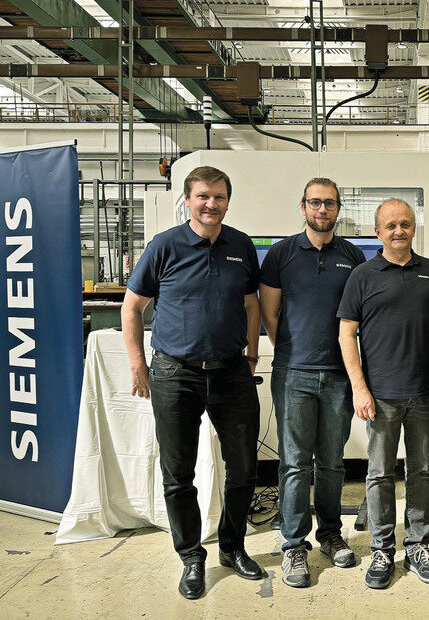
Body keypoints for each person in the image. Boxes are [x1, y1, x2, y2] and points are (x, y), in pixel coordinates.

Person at [121, 165, 264, 600]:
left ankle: (233, 547)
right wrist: (137, 365)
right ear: (187, 200)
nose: (211, 204)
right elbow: (132, 307)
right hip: (175, 374)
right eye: (203, 196)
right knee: (178, 473)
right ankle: (190, 557)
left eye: (219, 196)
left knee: (244, 467)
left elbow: (251, 303)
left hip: (231, 371)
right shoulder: (164, 246)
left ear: (227, 201)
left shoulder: (241, 245)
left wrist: (252, 355)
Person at [259, 178, 366, 588]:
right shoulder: (281, 254)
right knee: (294, 463)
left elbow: (357, 315)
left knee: (332, 461)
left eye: (330, 203)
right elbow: (269, 313)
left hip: (339, 375)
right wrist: (293, 350)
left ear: (338, 208)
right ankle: (293, 544)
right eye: (315, 202)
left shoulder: (352, 255)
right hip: (294, 373)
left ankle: (331, 534)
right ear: (303, 206)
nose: (323, 209)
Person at [337, 198, 429, 590]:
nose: (399, 231)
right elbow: (346, 333)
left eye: (406, 224)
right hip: (380, 395)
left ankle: (418, 546)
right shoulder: (362, 276)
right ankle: (382, 549)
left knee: (422, 472)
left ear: (414, 227)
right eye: (391, 225)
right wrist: (359, 387)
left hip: (423, 393)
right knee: (380, 474)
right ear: (378, 232)